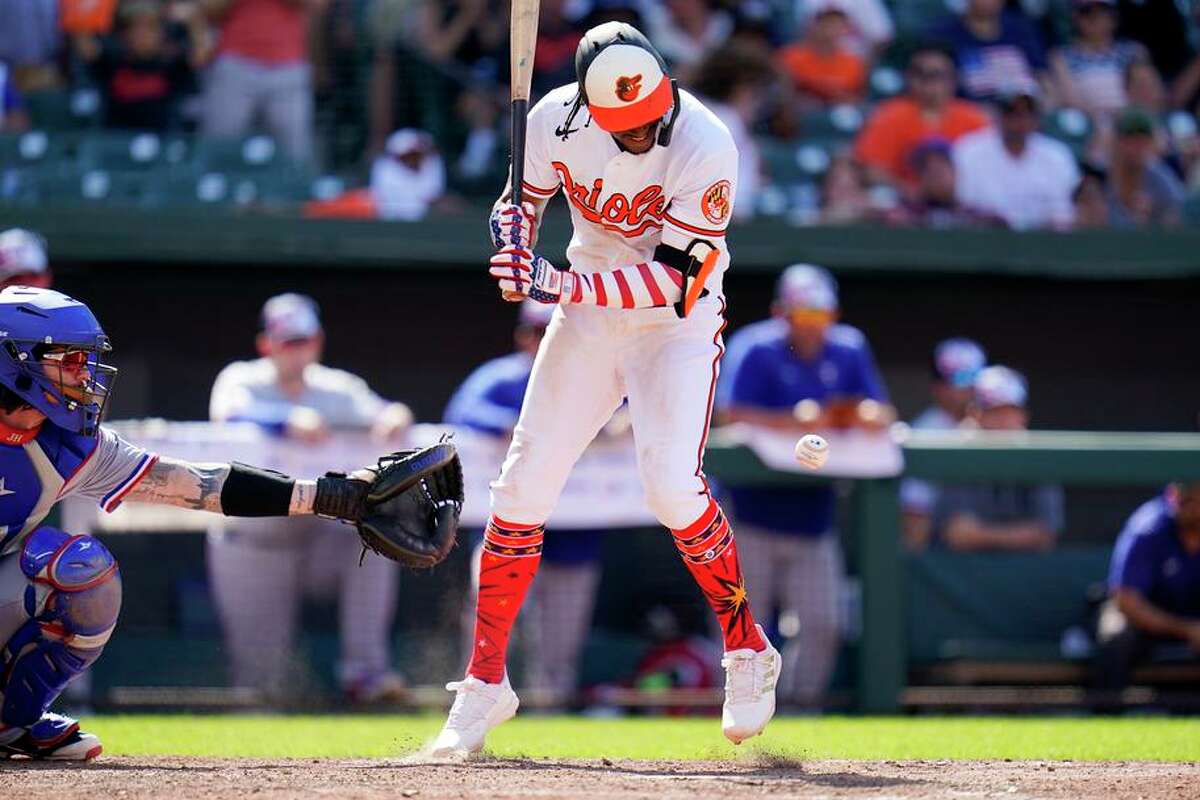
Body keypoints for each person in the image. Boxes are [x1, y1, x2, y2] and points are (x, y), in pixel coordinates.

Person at [437, 22, 783, 756]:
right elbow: (516, 201)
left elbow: (674, 276)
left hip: (676, 325)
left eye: (650, 117)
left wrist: (555, 279)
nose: (642, 134)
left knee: (670, 488)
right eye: (625, 127)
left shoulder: (706, 141)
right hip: (588, 321)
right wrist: (510, 240)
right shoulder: (552, 118)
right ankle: (485, 686)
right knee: (520, 490)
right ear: (592, 112)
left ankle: (749, 649)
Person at [0, 286, 435, 759]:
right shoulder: (241, 381)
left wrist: (327, 497)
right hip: (250, 551)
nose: (84, 377)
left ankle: (12, 721)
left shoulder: (73, 444)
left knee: (83, 573)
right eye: (68, 360)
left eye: (85, 360)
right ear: (14, 359)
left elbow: (199, 485)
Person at [206, 293, 414, 705]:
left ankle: (366, 675)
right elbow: (226, 414)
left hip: (321, 537)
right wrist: (285, 420)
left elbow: (388, 412)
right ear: (267, 344)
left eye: (304, 340)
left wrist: (394, 417)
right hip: (255, 541)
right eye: (288, 342)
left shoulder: (335, 387)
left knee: (373, 537)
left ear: (317, 341)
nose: (297, 350)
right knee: (262, 686)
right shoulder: (241, 378)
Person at [716, 264, 894, 707]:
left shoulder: (848, 348)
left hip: (813, 516)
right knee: (741, 626)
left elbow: (880, 412)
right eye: (804, 317)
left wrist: (863, 415)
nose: (813, 328)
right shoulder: (756, 347)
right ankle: (739, 707)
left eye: (821, 317)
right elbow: (728, 414)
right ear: (783, 312)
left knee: (824, 623)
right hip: (749, 513)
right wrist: (793, 419)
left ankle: (795, 707)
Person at [445, 301, 606, 699]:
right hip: (507, 524)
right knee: (487, 603)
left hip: (573, 532)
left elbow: (631, 414)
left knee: (559, 641)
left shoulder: (596, 378)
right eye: (537, 331)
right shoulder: (499, 378)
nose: (544, 340)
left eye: (552, 330)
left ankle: (550, 708)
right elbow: (461, 414)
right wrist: (508, 425)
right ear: (523, 336)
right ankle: (475, 694)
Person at [930, 366, 1065, 552]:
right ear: (975, 414)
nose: (1004, 421)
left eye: (1010, 411)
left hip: (1024, 571)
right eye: (994, 412)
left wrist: (982, 534)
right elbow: (958, 534)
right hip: (967, 570)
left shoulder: (1037, 457)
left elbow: (1045, 536)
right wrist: (1018, 535)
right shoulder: (960, 452)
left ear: (1023, 416)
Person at [1095, 482, 1200, 691]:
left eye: (1194, 495)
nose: (1187, 502)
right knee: (1115, 633)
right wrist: (1187, 629)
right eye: (1183, 494)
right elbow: (1126, 600)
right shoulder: (1148, 526)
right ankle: (1106, 714)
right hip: (1146, 618)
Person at [200, 0, 327, 162]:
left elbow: (318, 4)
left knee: (294, 159)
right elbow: (207, 9)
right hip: (235, 61)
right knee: (217, 153)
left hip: (287, 66)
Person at [853, 43, 990, 191]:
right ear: (909, 77)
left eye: (936, 75)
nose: (928, 82)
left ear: (953, 79)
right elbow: (872, 171)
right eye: (920, 74)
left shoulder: (974, 118)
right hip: (907, 204)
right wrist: (907, 190)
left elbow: (990, 169)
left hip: (963, 200)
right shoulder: (889, 115)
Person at [900, 338, 987, 550]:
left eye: (976, 377)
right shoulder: (926, 432)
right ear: (938, 387)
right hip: (942, 549)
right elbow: (915, 516)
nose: (971, 387)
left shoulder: (993, 422)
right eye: (961, 378)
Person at [74, 0, 212, 131]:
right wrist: (86, 10)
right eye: (135, 28)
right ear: (124, 34)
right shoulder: (114, 59)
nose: (142, 34)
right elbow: (86, 48)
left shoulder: (172, 62)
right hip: (116, 142)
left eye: (150, 27)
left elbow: (200, 56)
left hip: (165, 142)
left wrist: (195, 21)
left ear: (161, 33)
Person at [953, 88, 1080, 230]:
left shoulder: (1057, 156)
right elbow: (962, 207)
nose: (1020, 120)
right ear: (999, 115)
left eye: (1028, 113)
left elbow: (1066, 214)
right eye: (1012, 112)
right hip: (987, 241)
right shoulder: (969, 151)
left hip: (1046, 243)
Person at [1050, 0, 1148, 125]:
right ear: (1076, 18)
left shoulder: (1133, 52)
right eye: (1088, 14)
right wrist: (1100, 120)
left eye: (1102, 14)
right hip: (1086, 124)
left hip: (1129, 120)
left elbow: (1145, 95)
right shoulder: (1062, 57)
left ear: (1114, 17)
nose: (1095, 21)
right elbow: (1071, 100)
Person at [931, 0, 1049, 104]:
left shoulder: (1022, 29)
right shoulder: (943, 36)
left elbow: (1041, 75)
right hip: (974, 114)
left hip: (1024, 110)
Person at [777, 0, 868, 106]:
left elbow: (856, 99)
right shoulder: (790, 57)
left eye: (836, 22)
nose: (831, 28)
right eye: (825, 22)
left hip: (839, 114)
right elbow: (784, 95)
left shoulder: (853, 62)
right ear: (812, 25)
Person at [1104, 107, 1185, 227]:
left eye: (1143, 141)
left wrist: (1153, 216)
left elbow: (1177, 222)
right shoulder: (1100, 177)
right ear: (1117, 142)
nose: (1137, 148)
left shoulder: (1161, 180)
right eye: (1130, 141)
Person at [370, 128, 447, 222]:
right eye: (409, 155)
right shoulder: (385, 168)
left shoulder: (431, 162)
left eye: (416, 154)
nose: (413, 159)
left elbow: (434, 193)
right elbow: (397, 209)